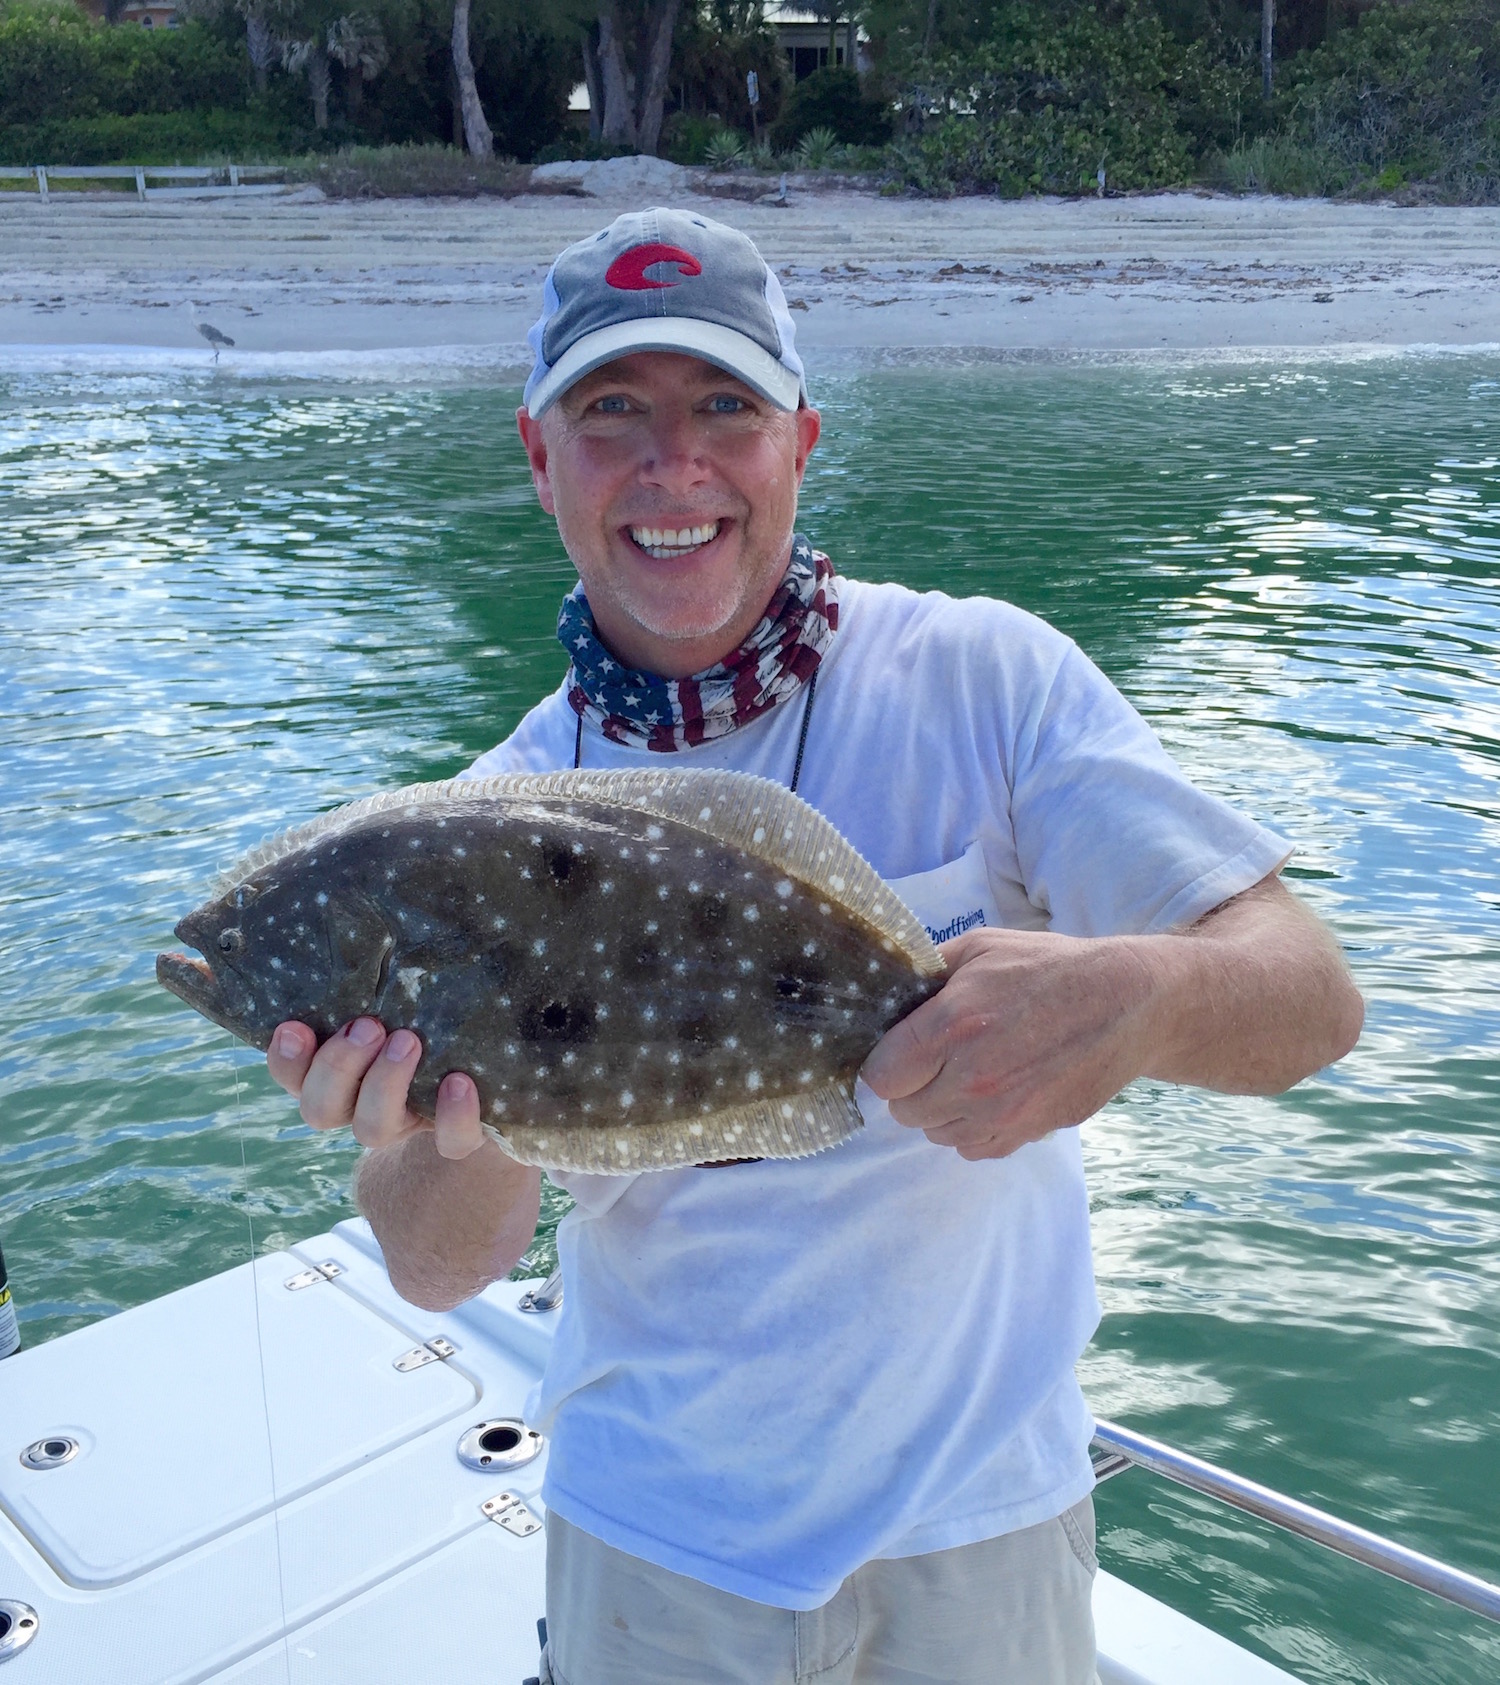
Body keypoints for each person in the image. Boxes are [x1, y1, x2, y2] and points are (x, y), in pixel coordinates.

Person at [266, 209, 1363, 1685]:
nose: (675, 466)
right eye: (613, 414)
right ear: (540, 459)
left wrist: (1146, 999)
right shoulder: (484, 820)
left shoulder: (987, 678)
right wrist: (455, 1115)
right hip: (658, 1539)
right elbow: (431, 1261)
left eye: (725, 405)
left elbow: (1312, 997)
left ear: (801, 440)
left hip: (987, 1520)